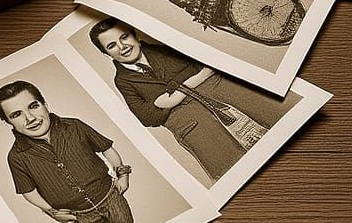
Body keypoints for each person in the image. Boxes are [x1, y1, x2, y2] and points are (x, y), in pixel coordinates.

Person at [89, 18, 289, 181]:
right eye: (112, 45)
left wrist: (171, 97)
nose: (122, 46)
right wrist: (194, 80)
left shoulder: (163, 49)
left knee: (287, 124)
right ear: (106, 54)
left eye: (124, 37)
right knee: (239, 173)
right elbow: (147, 117)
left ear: (135, 35)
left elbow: (202, 66)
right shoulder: (123, 81)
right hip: (194, 127)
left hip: (227, 94)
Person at [0, 80, 138, 223]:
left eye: (34, 106)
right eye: (16, 114)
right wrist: (52, 212)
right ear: (7, 121)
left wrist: (123, 175)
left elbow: (106, 148)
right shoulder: (17, 157)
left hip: (112, 197)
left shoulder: (74, 126)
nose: (30, 118)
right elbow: (28, 192)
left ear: (45, 104)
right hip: (81, 216)